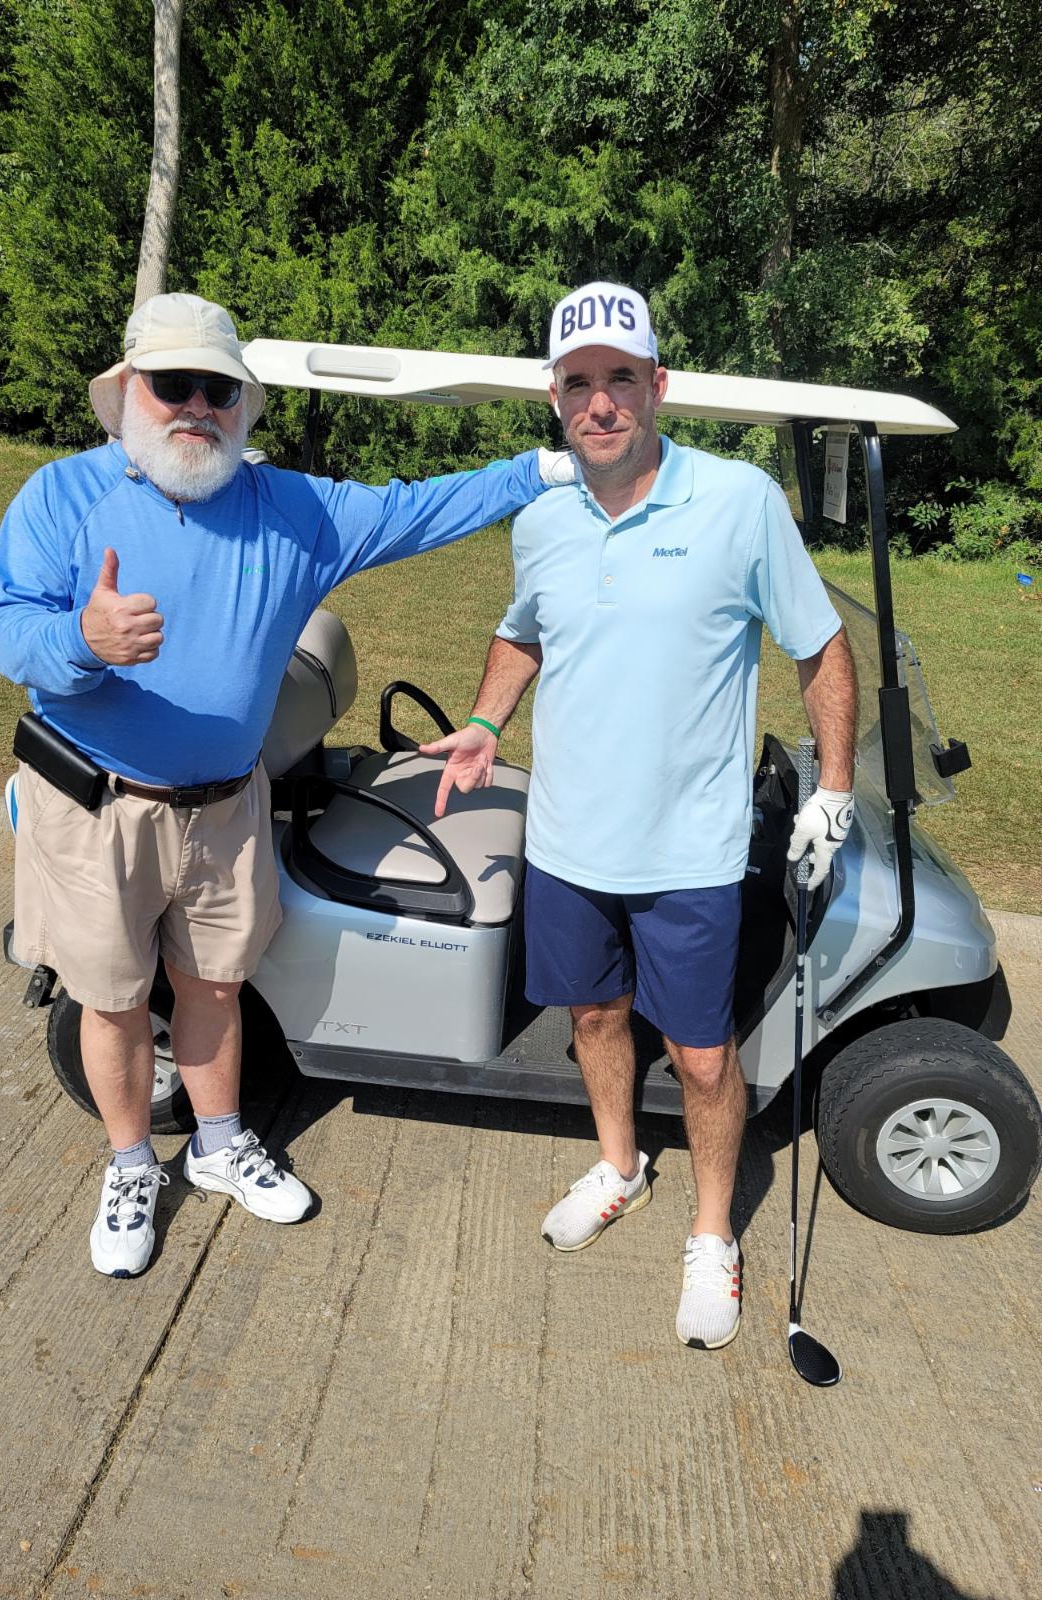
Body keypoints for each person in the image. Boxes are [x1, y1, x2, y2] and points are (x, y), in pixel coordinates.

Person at [0, 292, 573, 1280]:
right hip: (95, 807)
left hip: (224, 805)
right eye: (174, 385)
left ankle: (216, 1145)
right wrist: (80, 642)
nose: (196, 405)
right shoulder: (60, 498)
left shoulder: (294, 510)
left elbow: (418, 507)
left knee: (214, 985)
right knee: (115, 1000)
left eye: (219, 387)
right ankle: (131, 1166)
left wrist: (542, 468)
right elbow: (2, 624)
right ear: (129, 392)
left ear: (244, 406)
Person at [424, 281, 856, 1351]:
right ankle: (619, 1165)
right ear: (555, 397)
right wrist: (486, 716)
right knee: (592, 1022)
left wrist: (836, 786)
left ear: (658, 386)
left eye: (622, 378)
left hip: (692, 851)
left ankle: (714, 1233)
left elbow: (820, 644)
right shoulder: (541, 522)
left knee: (704, 1057)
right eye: (579, 382)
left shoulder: (739, 500)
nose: (601, 401)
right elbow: (522, 633)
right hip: (570, 843)